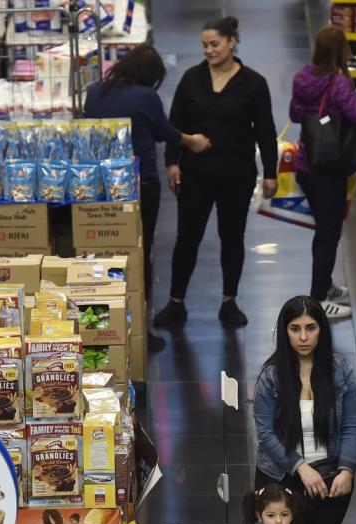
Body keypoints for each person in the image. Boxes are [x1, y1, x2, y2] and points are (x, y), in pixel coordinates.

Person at [83, 44, 213, 353]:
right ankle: (140, 328)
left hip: (98, 186)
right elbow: (163, 130)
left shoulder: (93, 92)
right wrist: (192, 140)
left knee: (100, 255)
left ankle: (99, 329)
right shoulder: (146, 96)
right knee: (139, 253)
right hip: (139, 184)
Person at [152, 16, 279, 330]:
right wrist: (172, 161)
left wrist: (271, 173)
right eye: (204, 45)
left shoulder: (253, 83)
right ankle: (176, 302)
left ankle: (229, 301)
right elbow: (175, 123)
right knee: (187, 238)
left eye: (214, 44)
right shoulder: (191, 79)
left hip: (237, 174)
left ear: (232, 42)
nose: (208, 50)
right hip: (195, 174)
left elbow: (265, 130)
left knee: (232, 238)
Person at [253, 296, 356, 524]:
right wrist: (300, 467)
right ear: (284, 333)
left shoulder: (339, 370)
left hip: (332, 478)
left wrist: (347, 469)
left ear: (321, 330)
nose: (303, 337)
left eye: (310, 328)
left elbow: (351, 424)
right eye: (295, 329)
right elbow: (266, 432)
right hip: (281, 478)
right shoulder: (271, 376)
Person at [288, 27, 356, 321]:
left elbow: (296, 114)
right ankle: (318, 300)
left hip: (308, 163)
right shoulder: (338, 83)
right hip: (330, 169)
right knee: (328, 233)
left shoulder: (302, 77)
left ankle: (325, 286)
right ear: (341, 50)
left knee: (324, 228)